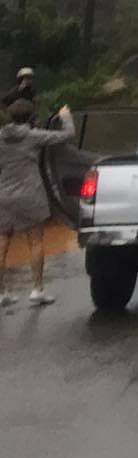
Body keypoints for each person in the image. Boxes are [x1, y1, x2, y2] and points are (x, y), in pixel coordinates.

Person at [0, 95, 74, 307]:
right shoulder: (35, 136)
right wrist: (65, 117)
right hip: (31, 194)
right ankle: (37, 289)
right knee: (35, 241)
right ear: (31, 117)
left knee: (3, 242)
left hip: (4, 194)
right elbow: (68, 135)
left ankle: (2, 292)